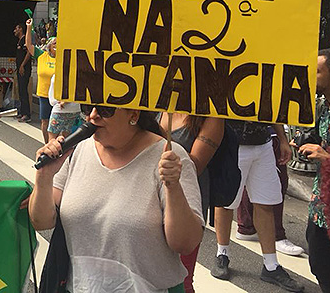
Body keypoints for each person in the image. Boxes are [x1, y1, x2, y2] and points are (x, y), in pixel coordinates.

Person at [29, 105, 204, 292]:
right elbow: (41, 221)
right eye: (88, 108)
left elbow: (185, 243)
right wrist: (44, 177)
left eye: (105, 110)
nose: (93, 116)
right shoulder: (77, 151)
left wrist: (173, 186)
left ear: (134, 115)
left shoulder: (170, 158)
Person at [211, 118, 303, 292]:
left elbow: (272, 106)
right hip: (231, 142)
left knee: (265, 203)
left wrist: (282, 139)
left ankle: (271, 264)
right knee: (225, 202)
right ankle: (222, 254)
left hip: (263, 144)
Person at [291, 48, 330, 292]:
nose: (311, 76)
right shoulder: (322, 107)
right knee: (320, 266)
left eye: (317, 71)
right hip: (320, 207)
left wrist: (325, 156)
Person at [159, 113, 224, 293]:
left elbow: (195, 164)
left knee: (182, 279)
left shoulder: (211, 118)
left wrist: (158, 143)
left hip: (187, 207)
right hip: (153, 204)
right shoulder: (157, 106)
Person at [235, 126, 306, 257]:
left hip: (265, 135)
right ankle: (274, 235)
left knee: (265, 187)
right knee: (233, 193)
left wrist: (282, 138)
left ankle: (248, 227)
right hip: (244, 134)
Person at [24, 19, 56, 142]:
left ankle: (57, 143)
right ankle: (47, 143)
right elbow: (28, 45)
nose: (56, 46)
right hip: (44, 95)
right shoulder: (41, 55)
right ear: (49, 46)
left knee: (56, 122)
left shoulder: (64, 57)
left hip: (58, 97)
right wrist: (29, 27)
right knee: (45, 121)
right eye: (54, 44)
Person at [13, 23, 31, 121]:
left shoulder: (25, 40)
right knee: (20, 91)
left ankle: (26, 114)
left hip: (24, 69)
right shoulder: (19, 41)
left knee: (24, 91)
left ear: (20, 29)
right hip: (20, 69)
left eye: (16, 29)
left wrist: (22, 65)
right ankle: (21, 111)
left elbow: (29, 52)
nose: (14, 31)